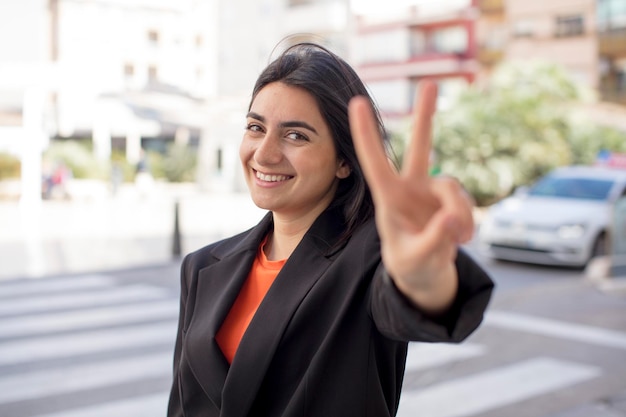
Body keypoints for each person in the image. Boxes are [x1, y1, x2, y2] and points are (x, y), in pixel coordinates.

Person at [167, 42, 494, 417]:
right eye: (256, 127)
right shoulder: (202, 267)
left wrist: (423, 279)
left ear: (343, 160)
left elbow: (417, 303)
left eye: (296, 135)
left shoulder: (369, 258)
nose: (264, 153)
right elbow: (182, 404)